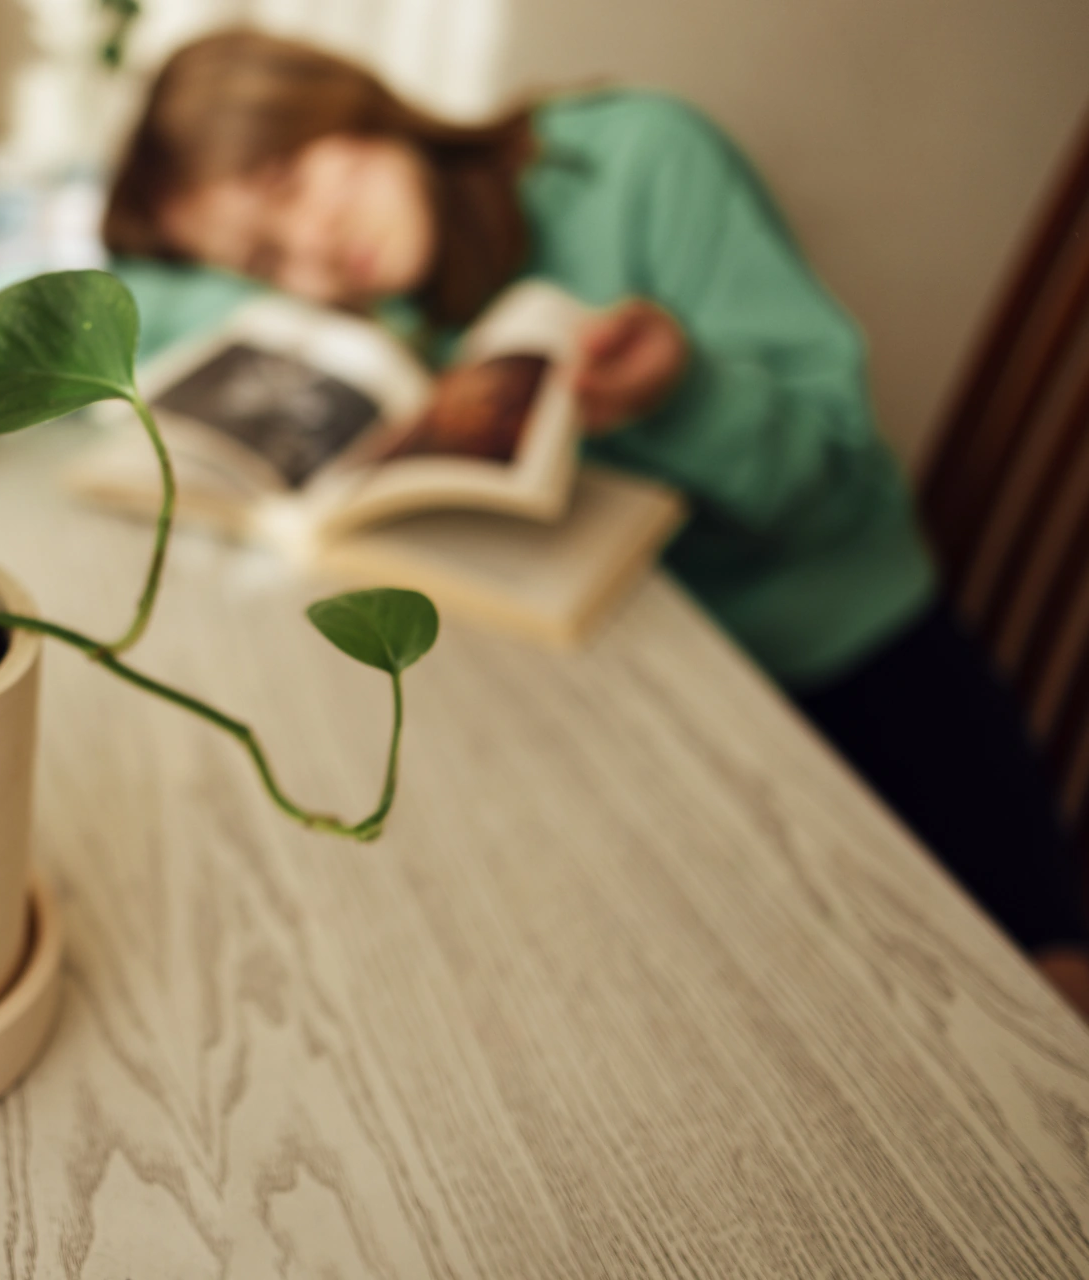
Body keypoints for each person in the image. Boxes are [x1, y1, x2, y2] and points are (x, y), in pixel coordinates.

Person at [102, 30, 1089, 1016]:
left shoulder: (642, 159)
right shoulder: (382, 304)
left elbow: (828, 481)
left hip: (848, 670)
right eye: (265, 257)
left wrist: (684, 389)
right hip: (646, 698)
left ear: (345, 108)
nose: (310, 250)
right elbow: (150, 298)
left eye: (286, 182)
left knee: (1025, 1002)